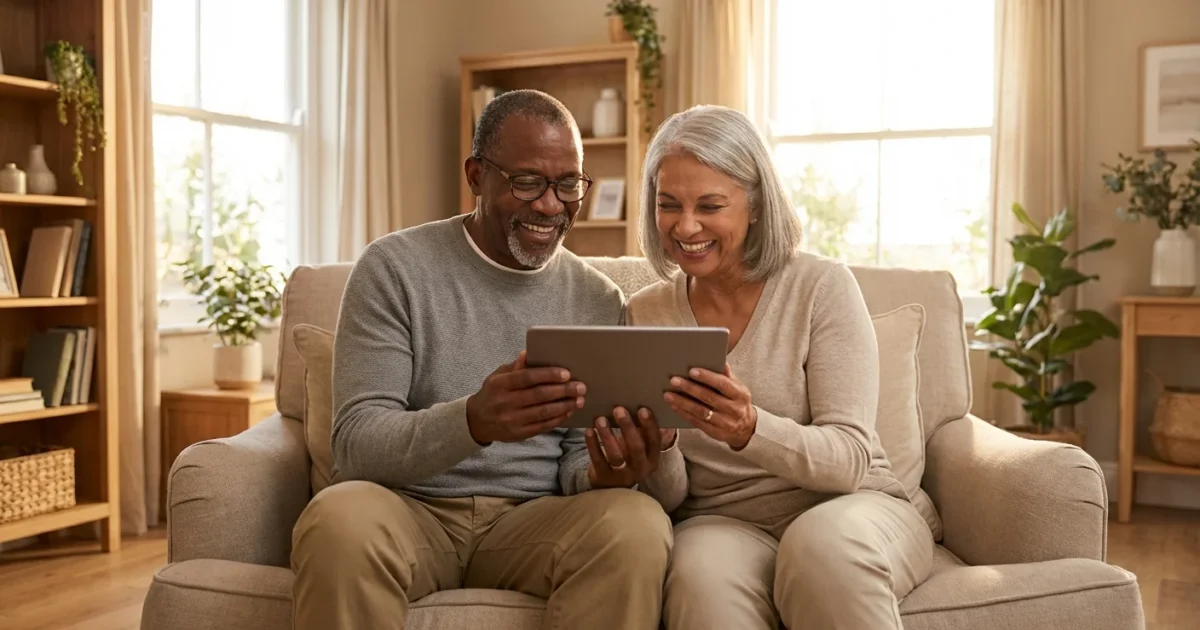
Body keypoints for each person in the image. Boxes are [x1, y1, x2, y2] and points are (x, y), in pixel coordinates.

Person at [290, 89, 674, 630]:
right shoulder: (394, 269)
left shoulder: (597, 299)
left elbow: (572, 466)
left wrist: (609, 472)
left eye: (568, 185)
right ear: (476, 175)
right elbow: (355, 447)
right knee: (336, 521)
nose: (550, 205)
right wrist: (473, 421)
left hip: (532, 522)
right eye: (526, 182)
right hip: (409, 511)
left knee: (637, 523)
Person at [631, 105, 935, 630]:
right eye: (668, 205)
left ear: (755, 205)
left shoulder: (821, 288)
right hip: (720, 522)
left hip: (851, 506)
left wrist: (751, 430)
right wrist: (660, 447)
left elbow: (848, 462)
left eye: (710, 205)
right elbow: (669, 497)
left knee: (821, 552)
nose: (685, 226)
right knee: (699, 580)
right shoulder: (646, 313)